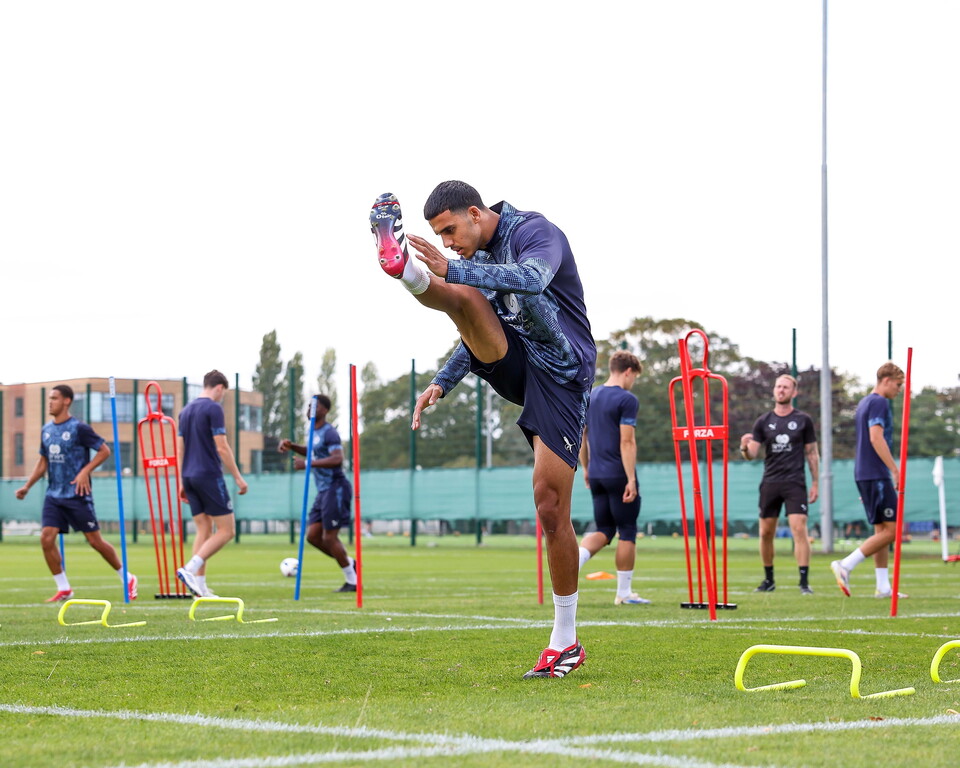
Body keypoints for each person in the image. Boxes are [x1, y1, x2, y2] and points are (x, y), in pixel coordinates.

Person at [370, 181, 596, 679]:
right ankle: (400, 265)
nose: (448, 242)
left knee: (550, 505)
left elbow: (533, 281)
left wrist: (454, 269)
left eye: (450, 230)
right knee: (468, 300)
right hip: (517, 362)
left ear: (475, 213)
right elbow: (476, 323)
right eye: (438, 236)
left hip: (562, 374)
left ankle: (566, 641)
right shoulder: (471, 256)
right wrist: (441, 382)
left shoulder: (536, 231)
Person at [15, 385, 137, 602]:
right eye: (50, 398)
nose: (50, 402)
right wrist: (27, 486)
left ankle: (126, 577)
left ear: (67, 401)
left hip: (77, 495)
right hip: (54, 495)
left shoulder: (79, 428)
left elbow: (104, 450)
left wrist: (85, 471)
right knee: (46, 538)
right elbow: (43, 462)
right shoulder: (46, 430)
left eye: (54, 398)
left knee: (95, 541)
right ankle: (64, 588)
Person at [577, 350, 651, 605]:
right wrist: (630, 479)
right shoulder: (626, 399)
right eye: (634, 377)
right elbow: (627, 442)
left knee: (604, 529)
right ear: (628, 372)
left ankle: (572, 562)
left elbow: (582, 437)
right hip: (619, 475)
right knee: (627, 530)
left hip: (596, 474)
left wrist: (586, 468)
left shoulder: (591, 395)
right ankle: (624, 593)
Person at [830, 362, 907, 599]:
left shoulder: (864, 402)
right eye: (898, 384)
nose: (899, 389)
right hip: (876, 473)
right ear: (885, 380)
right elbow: (876, 437)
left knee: (881, 529)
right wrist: (894, 469)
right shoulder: (878, 402)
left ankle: (883, 586)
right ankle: (846, 565)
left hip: (864, 473)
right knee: (893, 530)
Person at [739, 374, 819, 595]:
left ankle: (804, 583)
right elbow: (752, 454)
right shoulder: (763, 422)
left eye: (786, 387)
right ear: (774, 391)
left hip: (795, 482)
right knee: (765, 533)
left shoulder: (803, 420)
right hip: (770, 482)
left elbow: (812, 454)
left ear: (794, 392)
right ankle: (769, 580)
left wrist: (815, 484)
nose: (781, 390)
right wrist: (744, 447)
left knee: (799, 529)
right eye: (778, 387)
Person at [175, 370, 248, 597]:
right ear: (219, 388)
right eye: (223, 393)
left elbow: (179, 448)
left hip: (189, 476)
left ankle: (200, 588)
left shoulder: (185, 411)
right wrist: (237, 476)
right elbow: (222, 447)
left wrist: (181, 480)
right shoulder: (214, 408)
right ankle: (189, 569)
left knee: (204, 529)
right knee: (227, 531)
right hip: (208, 475)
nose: (221, 397)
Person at [278, 395, 356, 592]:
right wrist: (292, 446)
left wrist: (306, 464)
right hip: (323, 491)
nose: (310, 409)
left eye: (315, 406)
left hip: (336, 488)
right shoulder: (312, 431)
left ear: (325, 410)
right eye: (309, 405)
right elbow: (312, 451)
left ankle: (352, 581)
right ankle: (348, 561)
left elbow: (337, 458)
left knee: (330, 537)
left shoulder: (330, 433)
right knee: (313, 536)